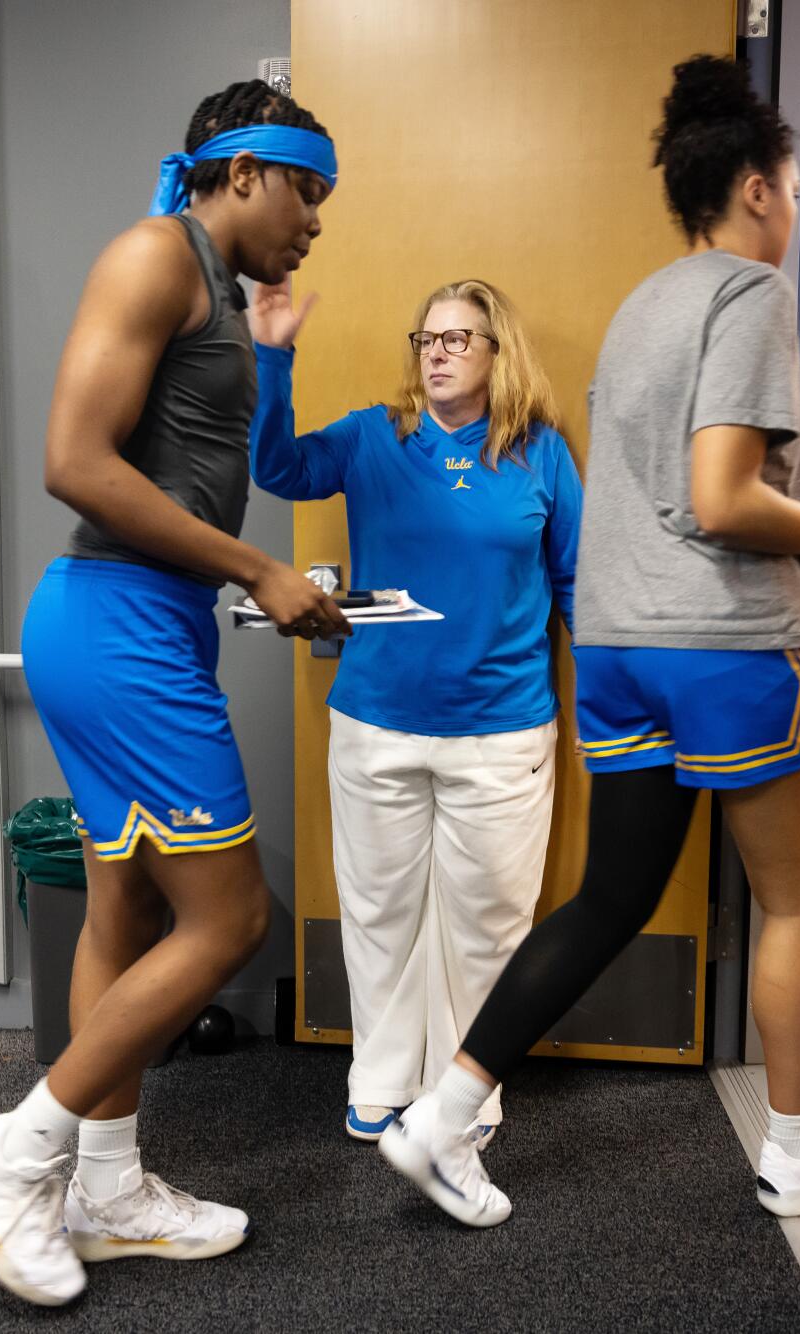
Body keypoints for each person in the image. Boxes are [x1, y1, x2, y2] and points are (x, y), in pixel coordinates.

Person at [377, 53, 800, 1227]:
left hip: (617, 643)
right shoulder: (752, 295)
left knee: (611, 894)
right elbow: (722, 497)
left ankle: (441, 1118)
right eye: (788, 191)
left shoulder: (644, 304)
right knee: (796, 901)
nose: (790, 212)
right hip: (725, 642)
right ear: (753, 187)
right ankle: (796, 1153)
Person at [0, 81, 346, 1307]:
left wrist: (267, 361)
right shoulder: (149, 254)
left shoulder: (213, 289)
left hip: (138, 621)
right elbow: (75, 461)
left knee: (119, 905)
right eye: (306, 190)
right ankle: (15, 1151)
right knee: (230, 922)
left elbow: (233, 463)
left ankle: (106, 1186)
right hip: (116, 623)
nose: (317, 221)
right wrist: (257, 567)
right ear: (240, 173)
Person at [247, 277, 581, 1144]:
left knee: (488, 926)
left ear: (496, 353)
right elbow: (278, 468)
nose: (435, 352)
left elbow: (577, 582)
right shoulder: (373, 437)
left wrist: (618, 701)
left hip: (503, 731)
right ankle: (381, 1079)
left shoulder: (540, 453)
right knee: (380, 914)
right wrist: (272, 356)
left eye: (457, 339)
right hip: (377, 723)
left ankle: (464, 1094)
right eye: (426, 338)